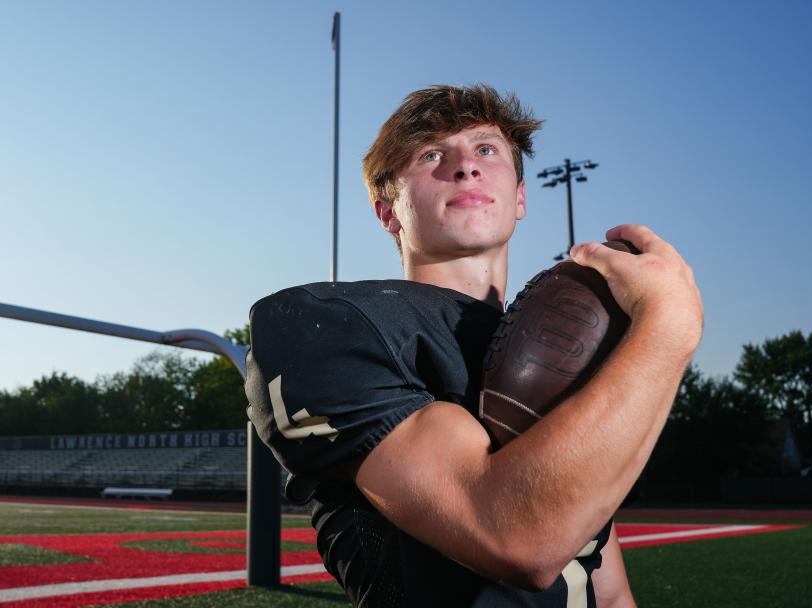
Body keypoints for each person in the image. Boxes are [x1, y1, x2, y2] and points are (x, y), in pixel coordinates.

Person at [245, 84, 703, 607]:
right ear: (388, 212)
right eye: (431, 154)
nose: (466, 167)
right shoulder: (327, 325)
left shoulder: (562, 352)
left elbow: (608, 587)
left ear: (521, 197)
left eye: (486, 149)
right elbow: (518, 537)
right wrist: (668, 325)